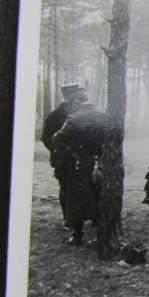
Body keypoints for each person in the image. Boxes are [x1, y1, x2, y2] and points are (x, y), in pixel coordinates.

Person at [52, 89, 109, 245]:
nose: (70, 106)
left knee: (77, 197)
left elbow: (57, 139)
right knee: (99, 193)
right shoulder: (104, 116)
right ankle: (103, 230)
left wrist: (69, 153)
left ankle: (77, 234)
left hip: (80, 162)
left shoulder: (74, 119)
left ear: (76, 102)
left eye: (71, 103)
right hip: (102, 161)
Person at [41, 83, 82, 224]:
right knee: (65, 188)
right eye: (75, 96)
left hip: (79, 157)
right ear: (69, 97)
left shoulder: (80, 113)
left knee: (82, 187)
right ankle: (68, 219)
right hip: (62, 159)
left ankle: (81, 217)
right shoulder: (54, 116)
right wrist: (57, 149)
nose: (78, 99)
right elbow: (45, 137)